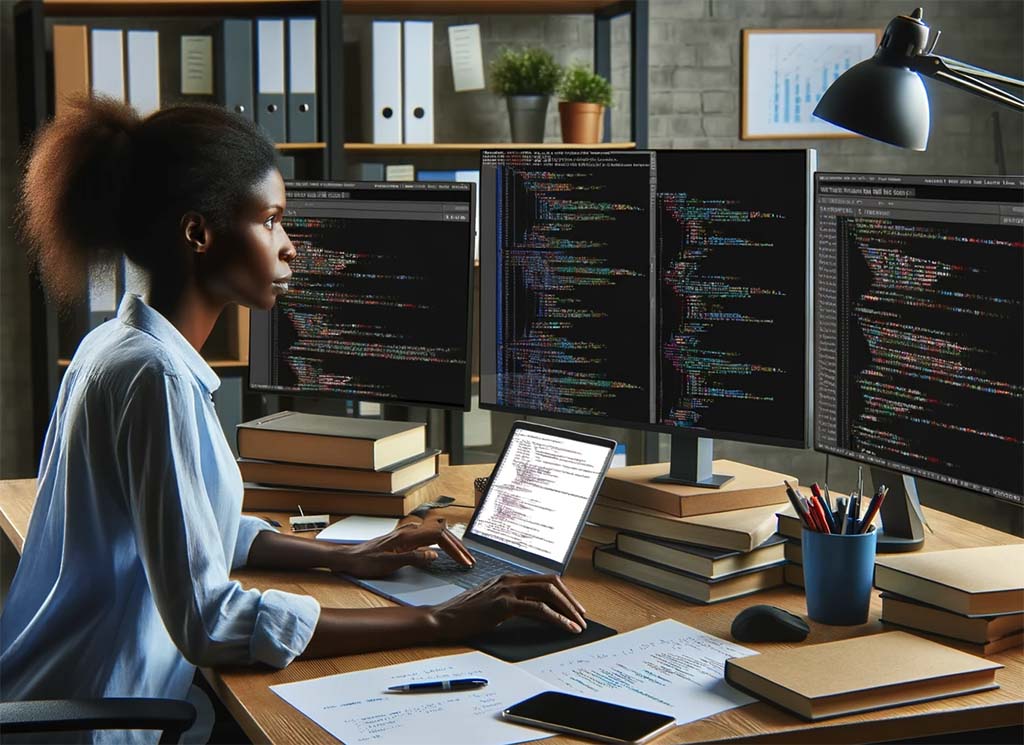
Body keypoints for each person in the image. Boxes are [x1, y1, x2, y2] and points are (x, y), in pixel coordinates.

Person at [0, 98, 586, 740]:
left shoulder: (116, 346)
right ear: (199, 233)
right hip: (98, 721)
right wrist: (442, 621)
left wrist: (346, 557)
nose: (290, 248)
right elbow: (210, 620)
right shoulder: (155, 378)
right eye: (272, 221)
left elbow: (192, 524)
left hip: (75, 688)